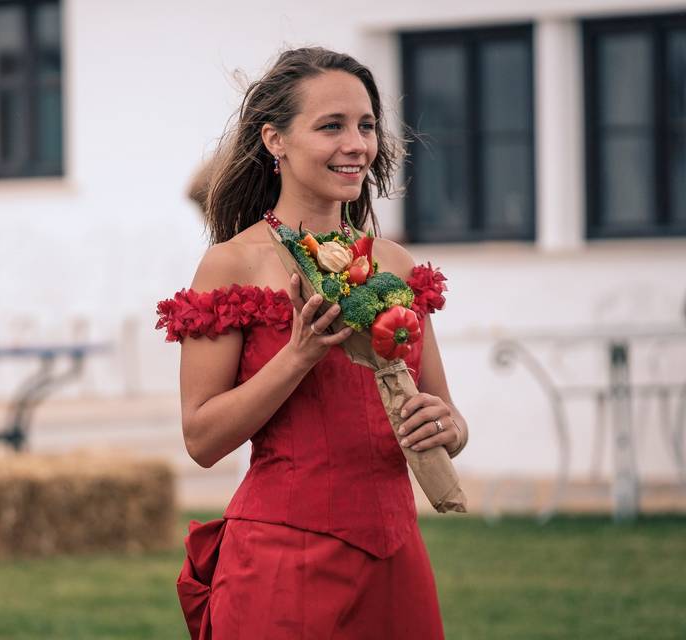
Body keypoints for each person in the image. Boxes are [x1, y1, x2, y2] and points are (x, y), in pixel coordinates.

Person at [156, 47, 468, 640]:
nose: (357, 144)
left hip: (397, 561)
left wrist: (449, 428)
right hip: (282, 564)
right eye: (331, 126)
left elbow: (449, 416)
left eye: (366, 125)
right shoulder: (232, 265)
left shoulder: (395, 265)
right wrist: (297, 356)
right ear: (276, 140)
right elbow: (201, 438)